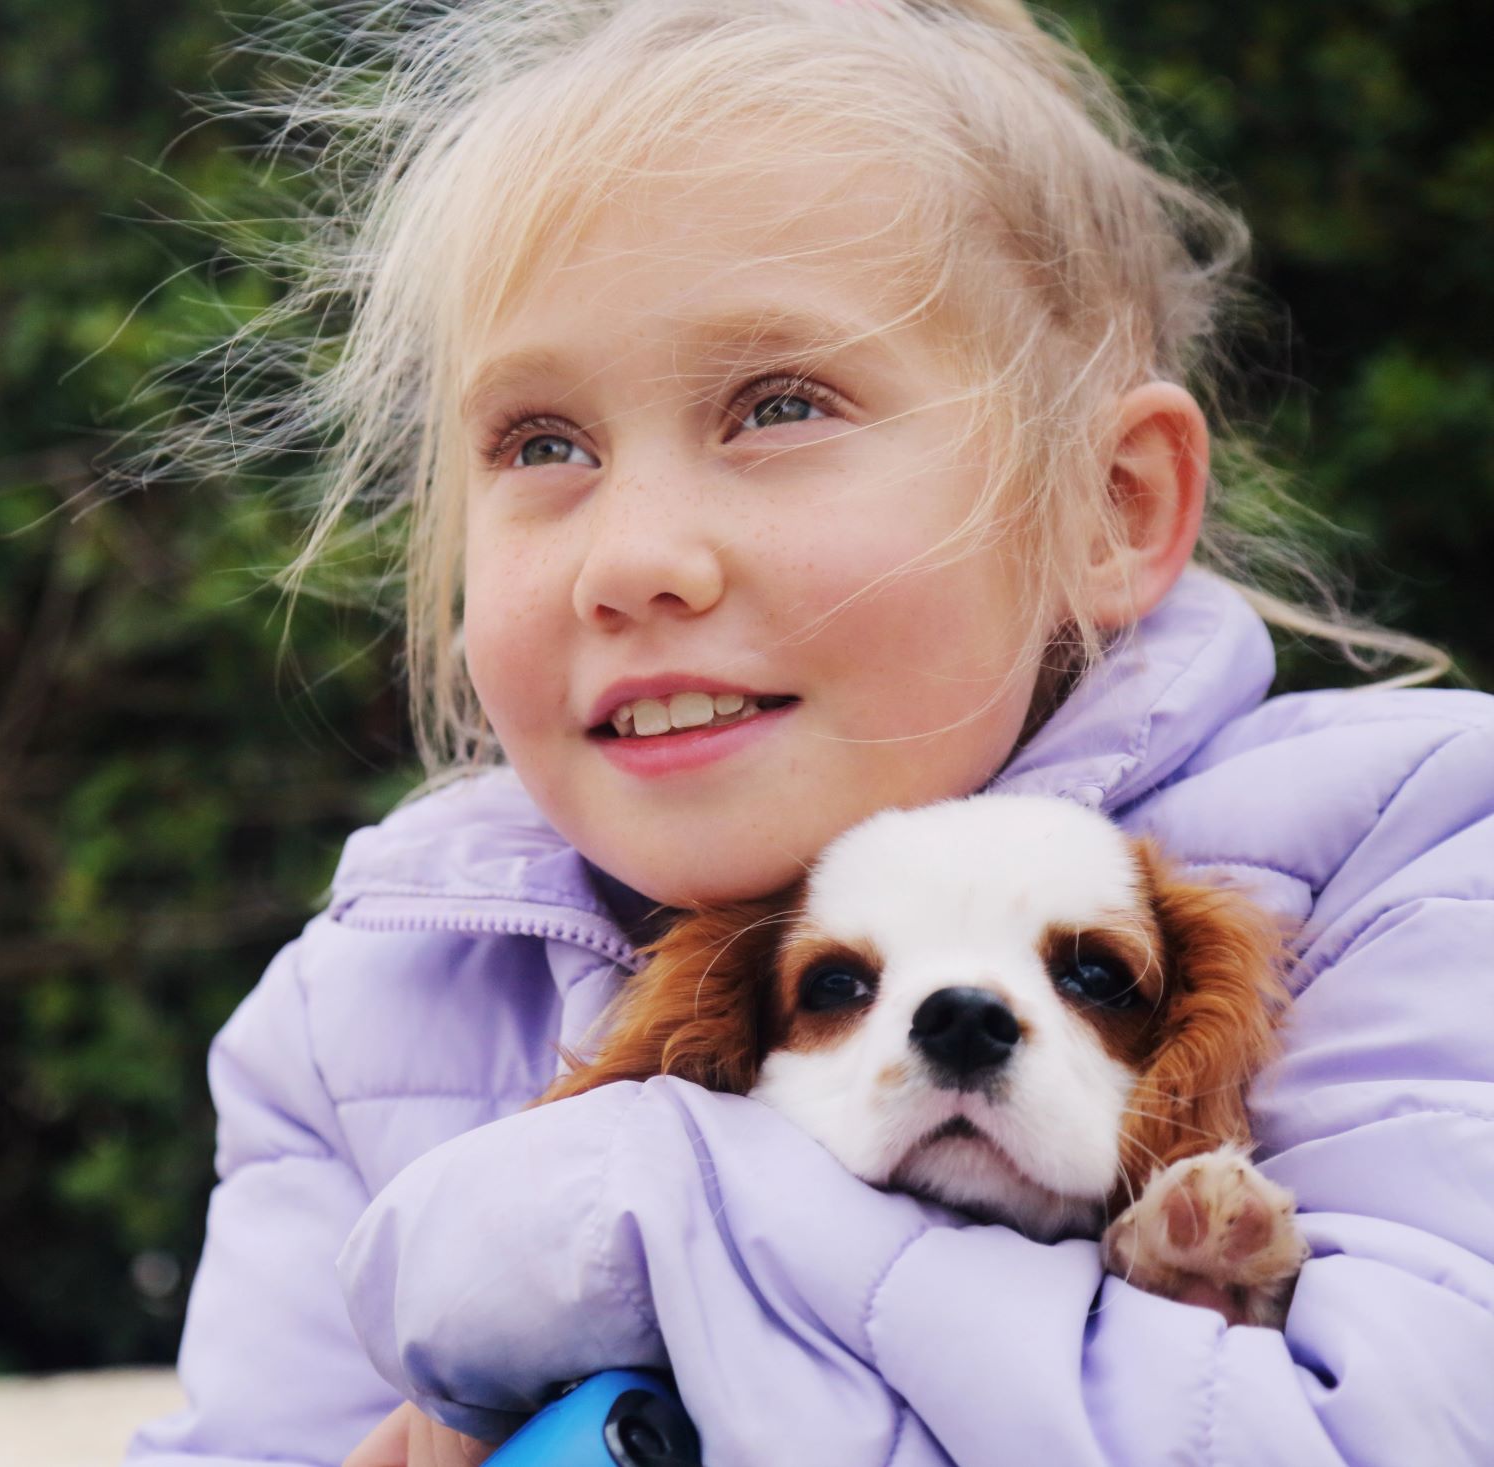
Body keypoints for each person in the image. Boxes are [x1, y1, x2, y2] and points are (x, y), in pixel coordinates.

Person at [127, 1, 1494, 1462]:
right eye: (542, 445)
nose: (630, 560)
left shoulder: (1409, 851)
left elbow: (1377, 1434)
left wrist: (647, 1195)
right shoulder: (364, 1006)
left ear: (1111, 507)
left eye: (778, 406)